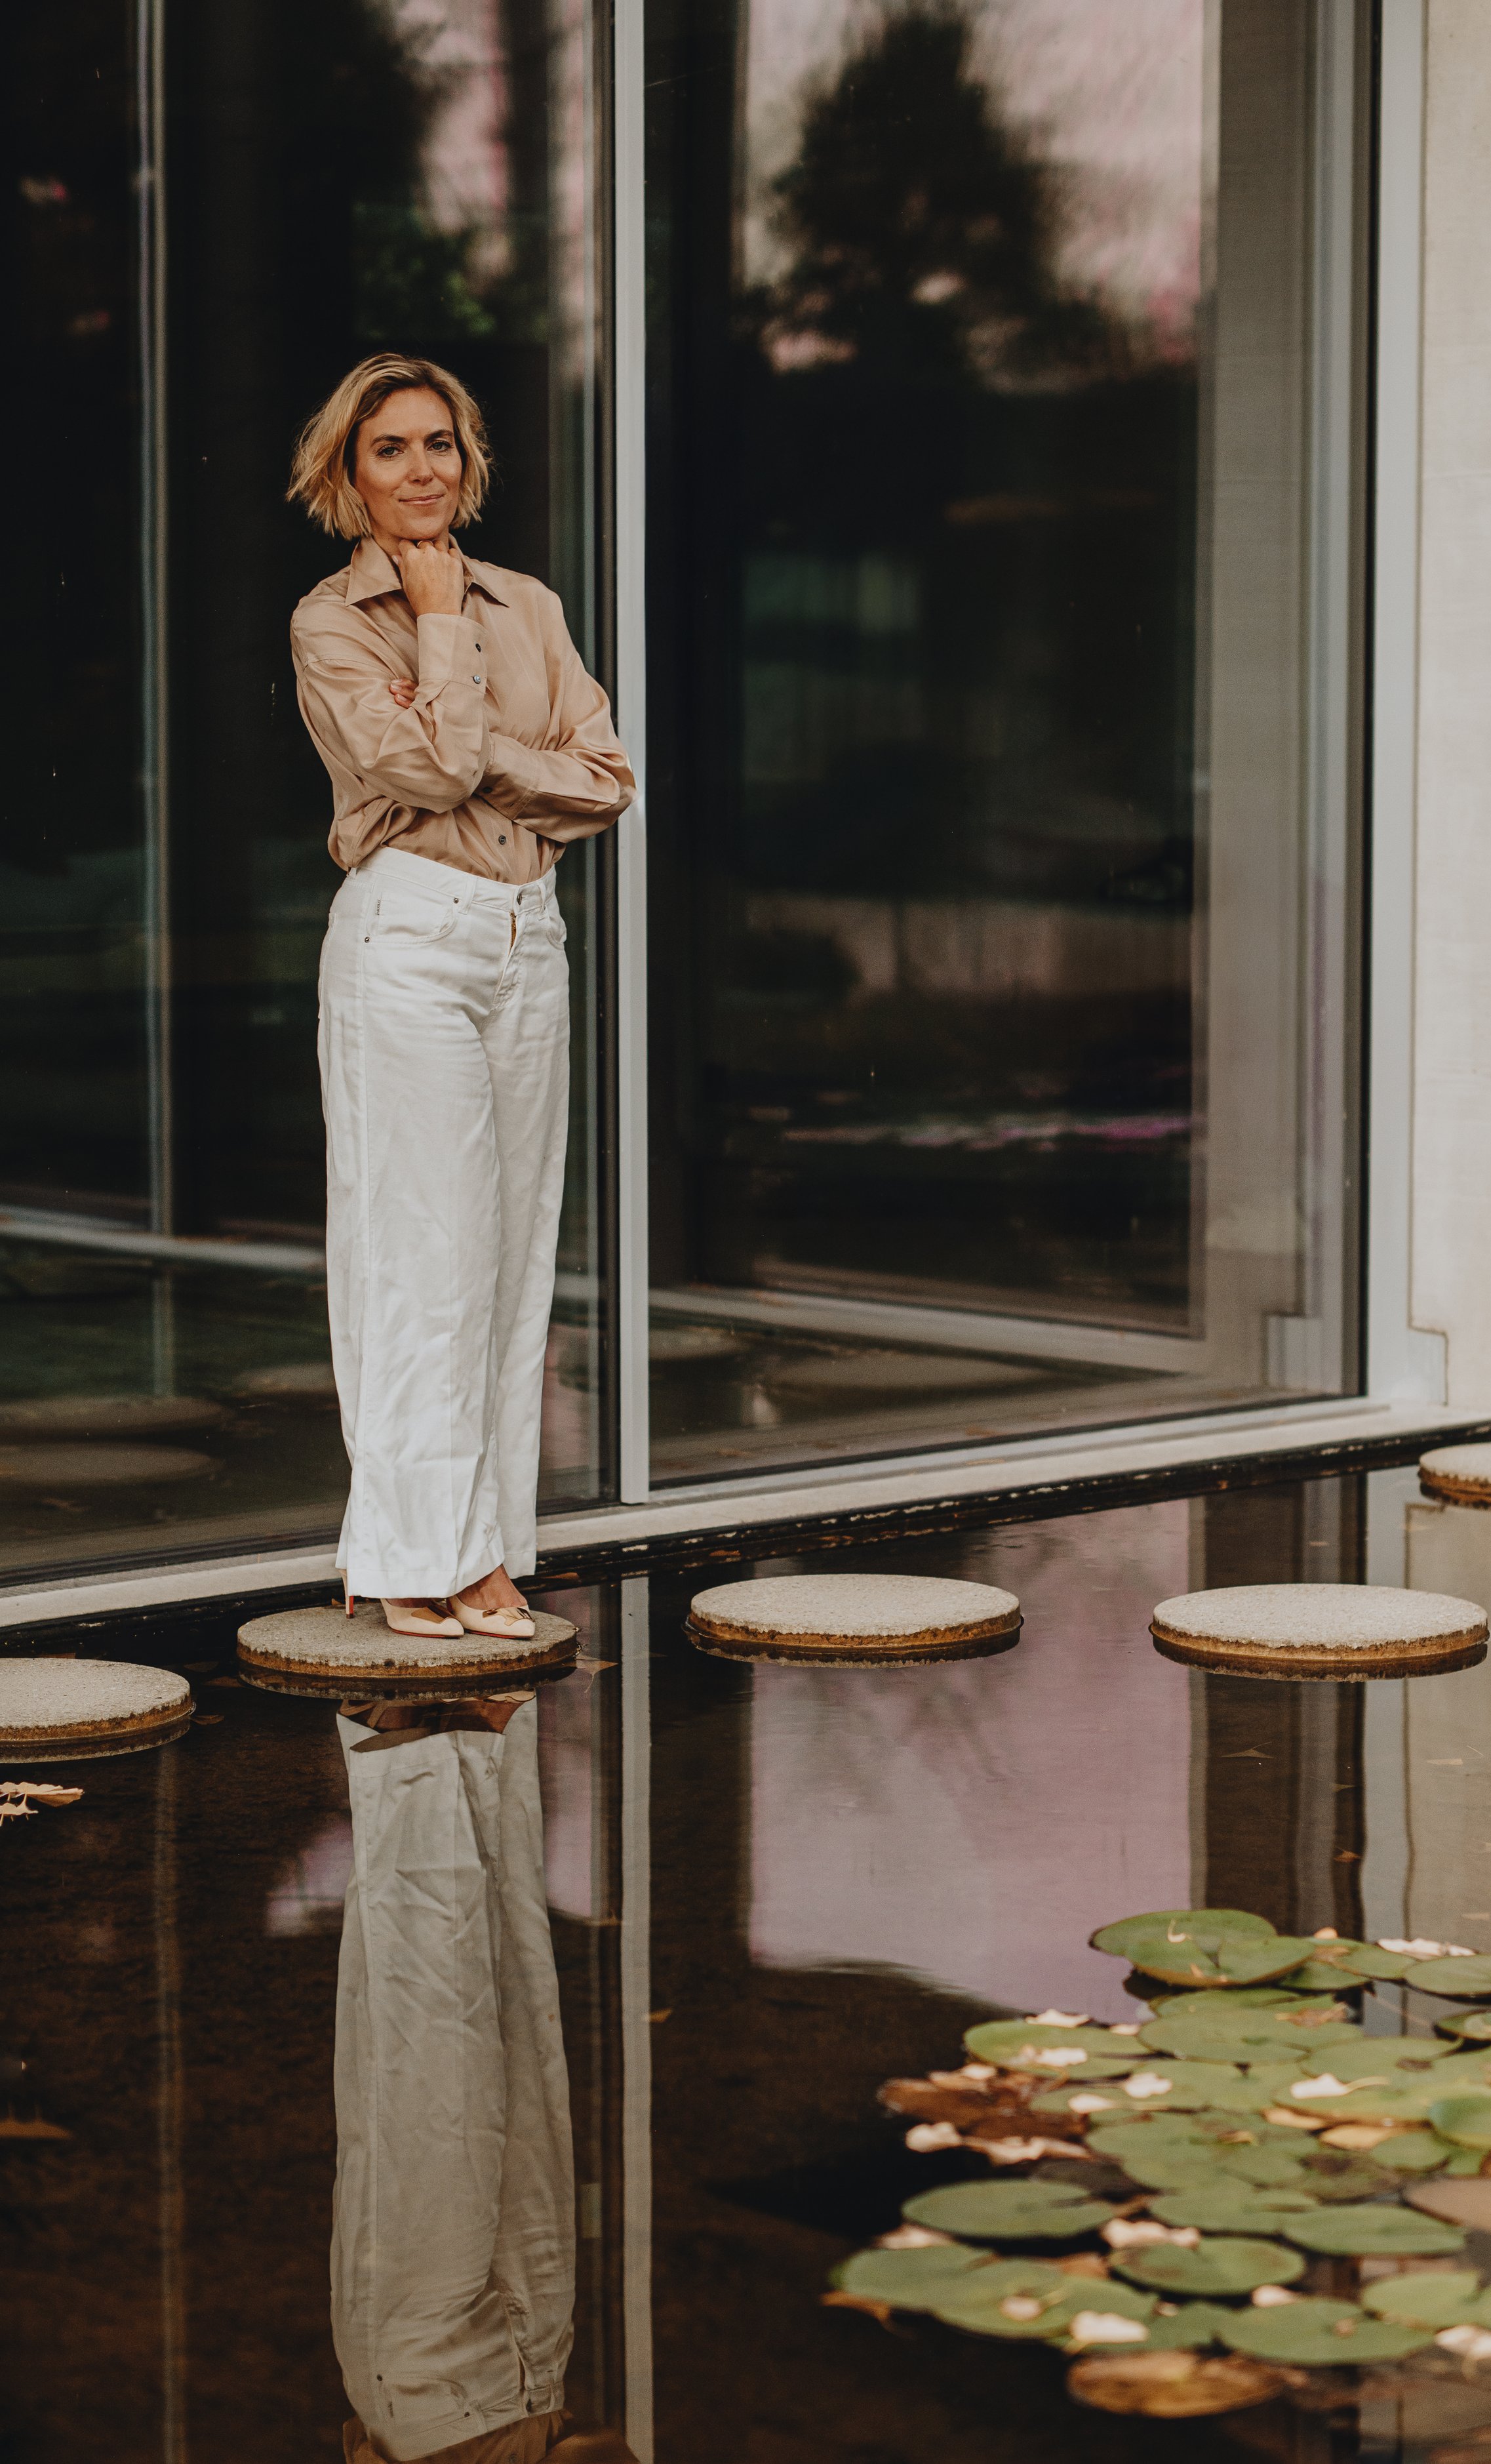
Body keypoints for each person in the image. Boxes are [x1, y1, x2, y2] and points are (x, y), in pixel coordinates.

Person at [287, 354, 633, 1642]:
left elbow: (602, 783)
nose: (422, 468)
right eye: (391, 449)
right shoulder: (331, 622)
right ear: (349, 472)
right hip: (408, 936)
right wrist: (438, 630)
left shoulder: (531, 606)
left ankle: (481, 1549)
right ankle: (401, 1557)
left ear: (467, 460)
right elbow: (420, 781)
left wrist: (476, 745)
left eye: (440, 443)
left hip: (522, 933)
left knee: (507, 1256)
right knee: (419, 1254)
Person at [332, 1689, 637, 2463]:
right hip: (529, 2379)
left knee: (421, 2067)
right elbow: (605, 2451)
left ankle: (404, 1742)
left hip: (434, 2397)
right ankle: (467, 1739)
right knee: (514, 2030)